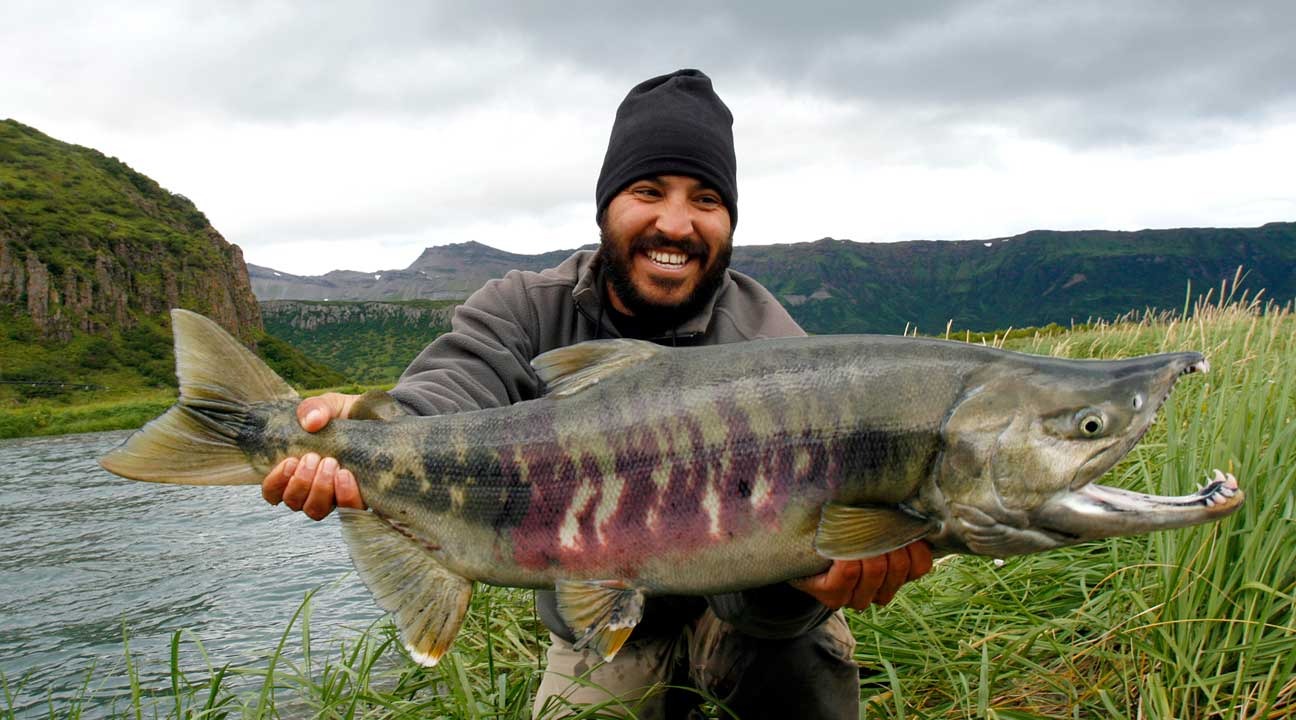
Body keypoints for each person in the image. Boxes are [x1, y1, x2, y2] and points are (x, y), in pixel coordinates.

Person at [261, 69, 932, 720]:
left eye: (705, 200)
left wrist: (807, 587)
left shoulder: (772, 349)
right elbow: (454, 387)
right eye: (649, 190)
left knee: (802, 649)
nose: (677, 224)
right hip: (599, 621)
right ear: (606, 204)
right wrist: (379, 427)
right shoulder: (522, 308)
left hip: (749, 619)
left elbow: (792, 574)